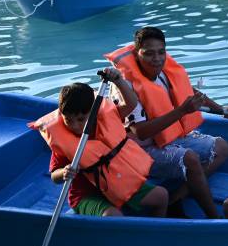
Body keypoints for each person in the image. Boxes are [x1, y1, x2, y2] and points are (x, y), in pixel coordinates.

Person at [105, 26, 228, 219]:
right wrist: (182, 111)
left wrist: (221, 109)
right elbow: (140, 132)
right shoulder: (125, 86)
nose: (157, 58)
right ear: (137, 54)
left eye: (161, 52)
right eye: (149, 54)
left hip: (168, 138)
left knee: (221, 147)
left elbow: (191, 94)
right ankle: (214, 218)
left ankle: (176, 198)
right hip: (138, 151)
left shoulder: (164, 72)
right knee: (190, 158)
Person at [31, 75, 168, 217]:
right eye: (68, 120)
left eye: (81, 119)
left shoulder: (106, 119)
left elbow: (131, 104)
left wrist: (118, 80)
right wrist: (64, 172)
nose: (75, 126)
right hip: (87, 195)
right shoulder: (63, 141)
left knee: (162, 196)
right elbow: (54, 176)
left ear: (94, 113)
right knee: (113, 215)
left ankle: (156, 232)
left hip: (119, 183)